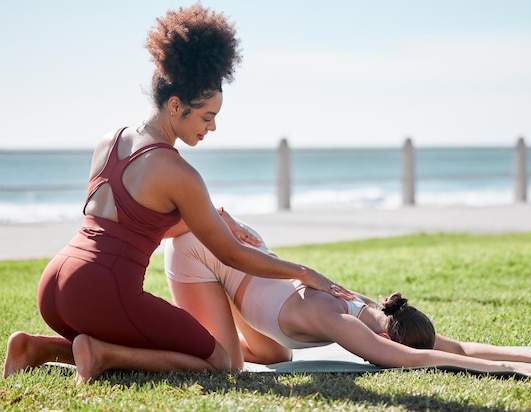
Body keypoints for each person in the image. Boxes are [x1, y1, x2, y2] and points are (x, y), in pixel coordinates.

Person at [2, 5, 351, 383]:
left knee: (157, 336)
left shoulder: (112, 139)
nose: (213, 127)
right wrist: (302, 272)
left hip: (56, 282)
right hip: (102, 291)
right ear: (175, 106)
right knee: (221, 363)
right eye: (205, 116)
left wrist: (217, 219)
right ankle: (100, 354)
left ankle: (38, 347)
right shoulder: (177, 171)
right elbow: (230, 255)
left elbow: (132, 223)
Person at [164, 210, 531, 377]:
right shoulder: (337, 318)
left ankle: (224, 289)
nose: (376, 351)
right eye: (381, 348)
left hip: (244, 253)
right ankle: (126, 343)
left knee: (277, 357)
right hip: (200, 250)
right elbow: (419, 357)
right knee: (225, 366)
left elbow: (453, 346)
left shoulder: (376, 310)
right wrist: (514, 371)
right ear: (385, 336)